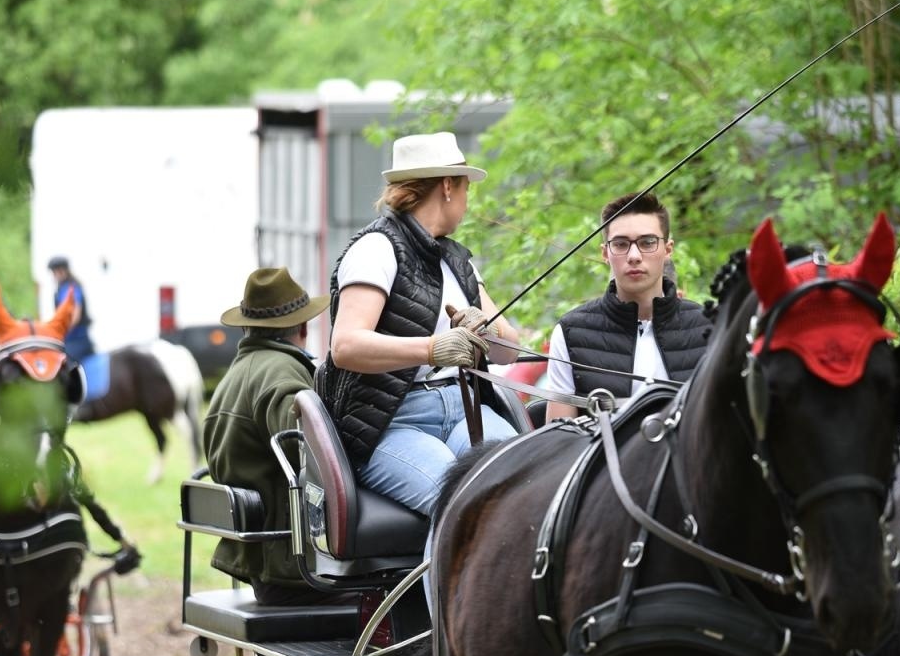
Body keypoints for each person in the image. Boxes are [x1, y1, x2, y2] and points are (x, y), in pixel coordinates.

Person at [316, 131, 520, 518]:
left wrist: (486, 329)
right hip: (391, 422)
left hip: (465, 411)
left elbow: (510, 350)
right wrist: (432, 348)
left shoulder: (459, 262)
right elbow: (345, 347)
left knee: (527, 483)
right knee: (461, 507)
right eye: (465, 189)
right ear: (447, 186)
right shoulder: (376, 249)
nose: (467, 201)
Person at [202, 269, 330, 604]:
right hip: (295, 569)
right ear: (303, 328)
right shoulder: (282, 373)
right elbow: (311, 458)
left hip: (261, 561)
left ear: (247, 327)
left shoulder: (236, 373)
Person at [543, 192, 710, 422]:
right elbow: (558, 443)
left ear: (668, 249)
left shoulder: (709, 327)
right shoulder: (571, 333)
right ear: (605, 253)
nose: (634, 256)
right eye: (621, 244)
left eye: (647, 242)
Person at [47, 256, 95, 362]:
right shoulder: (61, 289)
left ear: (64, 271)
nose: (56, 274)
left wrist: (62, 330)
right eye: (54, 272)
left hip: (77, 340)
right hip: (68, 340)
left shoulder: (71, 288)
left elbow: (75, 316)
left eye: (57, 271)